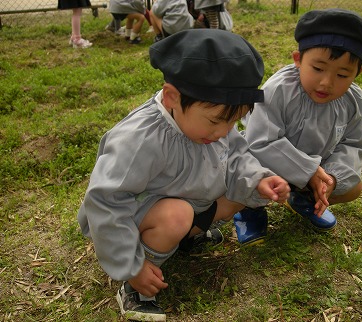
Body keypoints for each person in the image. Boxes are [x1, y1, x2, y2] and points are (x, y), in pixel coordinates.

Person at [77, 29, 290, 321]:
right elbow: (106, 201)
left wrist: (259, 179)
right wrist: (132, 265)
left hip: (192, 199)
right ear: (171, 97)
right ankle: (137, 284)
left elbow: (237, 153)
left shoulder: (215, 124)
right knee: (175, 215)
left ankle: (185, 237)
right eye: (216, 122)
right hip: (137, 216)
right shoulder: (141, 139)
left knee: (241, 192)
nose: (222, 133)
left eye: (233, 122)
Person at [234, 9, 362, 245]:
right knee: (246, 178)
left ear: (357, 73)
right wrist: (308, 171)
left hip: (316, 171)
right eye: (318, 69)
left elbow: (353, 144)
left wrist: (330, 178)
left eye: (342, 74)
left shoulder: (354, 101)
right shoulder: (278, 89)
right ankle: (250, 211)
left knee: (354, 188)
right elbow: (260, 142)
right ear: (298, 59)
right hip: (268, 167)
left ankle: (304, 200)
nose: (326, 83)